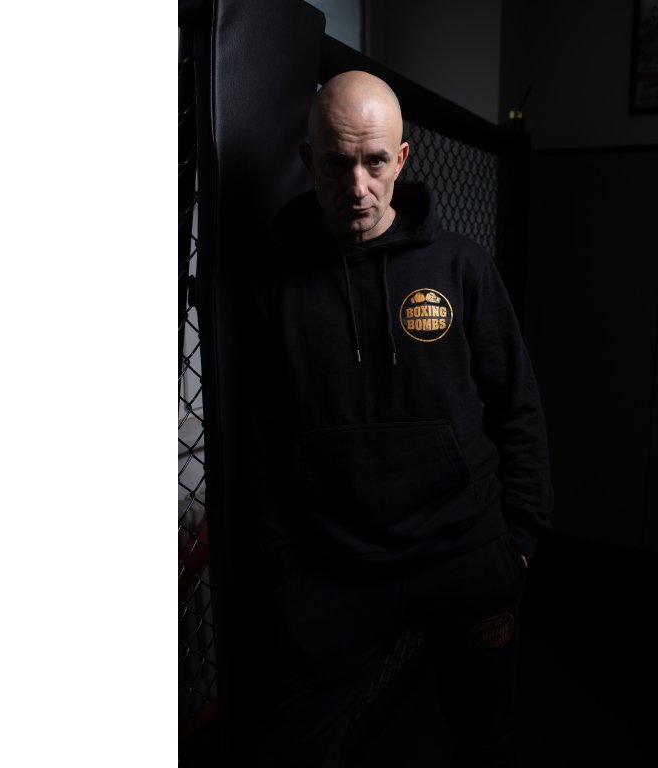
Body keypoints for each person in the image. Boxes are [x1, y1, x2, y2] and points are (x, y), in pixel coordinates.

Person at [251, 69, 553, 767]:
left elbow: (518, 407)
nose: (357, 186)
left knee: (486, 745)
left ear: (402, 158)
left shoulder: (462, 268)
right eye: (337, 163)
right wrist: (285, 567)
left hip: (466, 555)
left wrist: (518, 542)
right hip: (336, 571)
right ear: (308, 161)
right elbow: (262, 441)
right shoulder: (277, 286)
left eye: (374, 161)